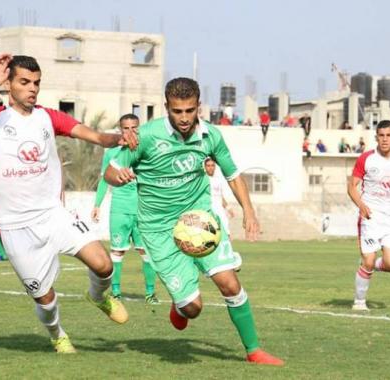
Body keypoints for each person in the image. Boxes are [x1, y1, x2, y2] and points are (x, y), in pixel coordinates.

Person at [105, 77, 284, 366]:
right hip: (159, 229)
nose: (185, 118)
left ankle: (254, 351)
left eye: (190, 110)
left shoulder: (210, 136)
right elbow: (110, 173)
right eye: (177, 111)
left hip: (198, 219)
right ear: (167, 108)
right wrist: (121, 176)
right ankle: (181, 306)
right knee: (193, 309)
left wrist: (249, 212)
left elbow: (233, 174)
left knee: (230, 284)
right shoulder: (146, 137)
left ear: (198, 106)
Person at [0, 54, 133, 353]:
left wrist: (119, 137)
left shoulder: (48, 117)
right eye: (24, 82)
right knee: (45, 297)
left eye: (37, 83)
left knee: (104, 265)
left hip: (54, 215)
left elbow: (94, 136)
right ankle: (57, 335)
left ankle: (99, 296)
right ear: (9, 84)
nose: (32, 89)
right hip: (14, 227)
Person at [91, 114, 159, 304]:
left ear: (140, 128)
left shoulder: (147, 149)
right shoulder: (112, 153)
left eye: (134, 127)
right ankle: (116, 292)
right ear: (120, 130)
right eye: (126, 128)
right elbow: (105, 180)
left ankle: (150, 293)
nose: (130, 132)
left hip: (142, 210)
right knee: (117, 252)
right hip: (119, 209)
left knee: (146, 252)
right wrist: (97, 204)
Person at [348, 120, 390, 311]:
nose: (385, 139)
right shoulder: (366, 158)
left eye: (389, 135)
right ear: (376, 137)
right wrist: (361, 205)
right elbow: (351, 187)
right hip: (370, 217)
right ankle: (359, 303)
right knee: (368, 261)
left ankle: (371, 265)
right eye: (381, 135)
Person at [204, 157, 242, 270]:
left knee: (227, 234)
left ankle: (230, 260)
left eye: (212, 165)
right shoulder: (203, 180)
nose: (211, 168)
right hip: (209, 211)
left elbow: (220, 197)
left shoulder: (218, 180)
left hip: (220, 211)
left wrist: (228, 208)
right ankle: (211, 261)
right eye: (208, 165)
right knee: (209, 236)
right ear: (205, 167)